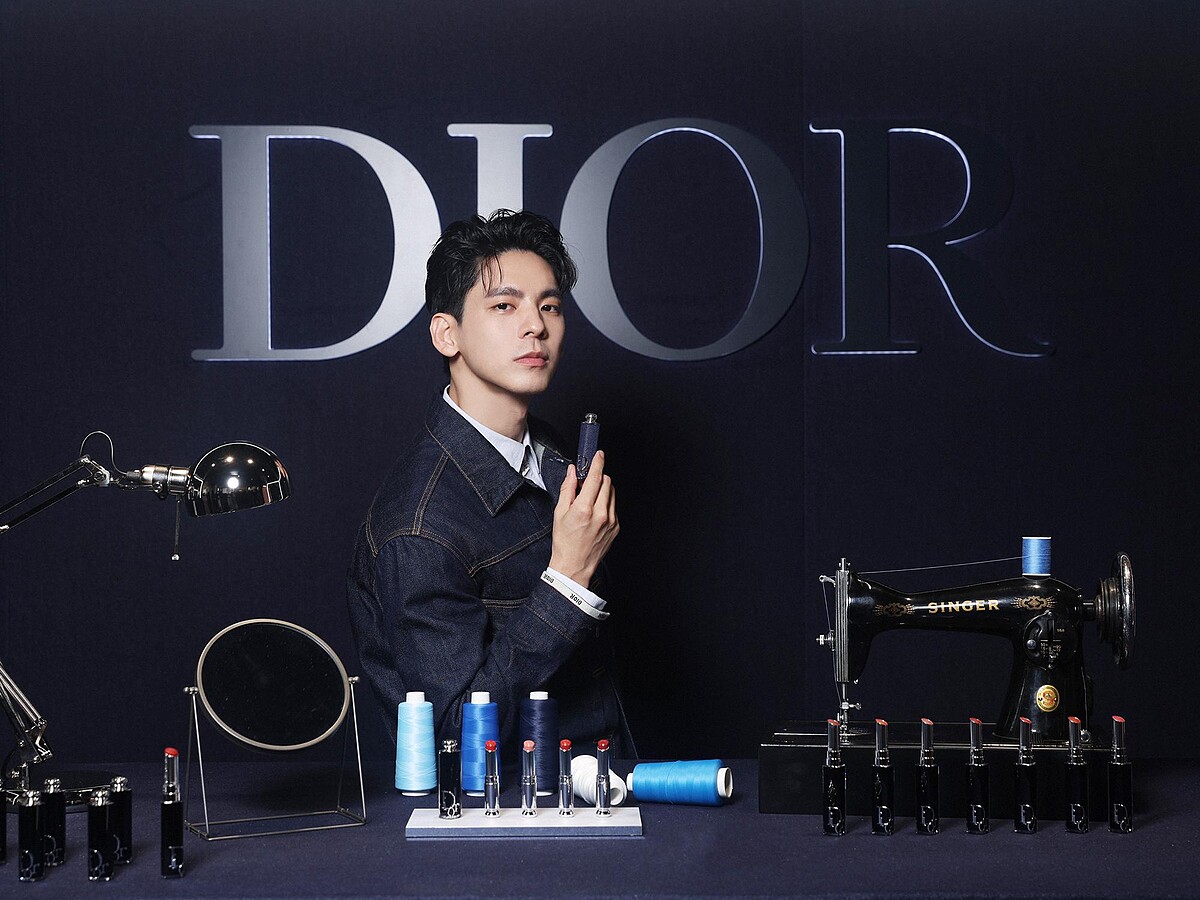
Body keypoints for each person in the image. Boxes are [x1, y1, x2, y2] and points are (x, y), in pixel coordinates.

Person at [347, 209, 634, 756]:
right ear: (446, 333)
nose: (536, 326)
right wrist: (567, 580)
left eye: (549, 305)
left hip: (602, 784)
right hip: (512, 803)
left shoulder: (554, 451)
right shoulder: (418, 528)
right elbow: (456, 739)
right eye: (505, 305)